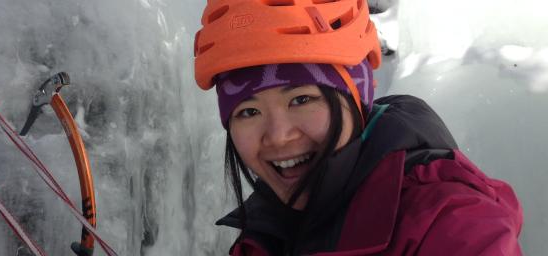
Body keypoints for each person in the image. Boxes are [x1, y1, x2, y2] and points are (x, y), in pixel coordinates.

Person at [192, 0, 523, 255]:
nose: (278, 135)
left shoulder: (449, 223)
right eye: (249, 111)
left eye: (302, 100)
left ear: (358, 97)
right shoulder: (264, 237)